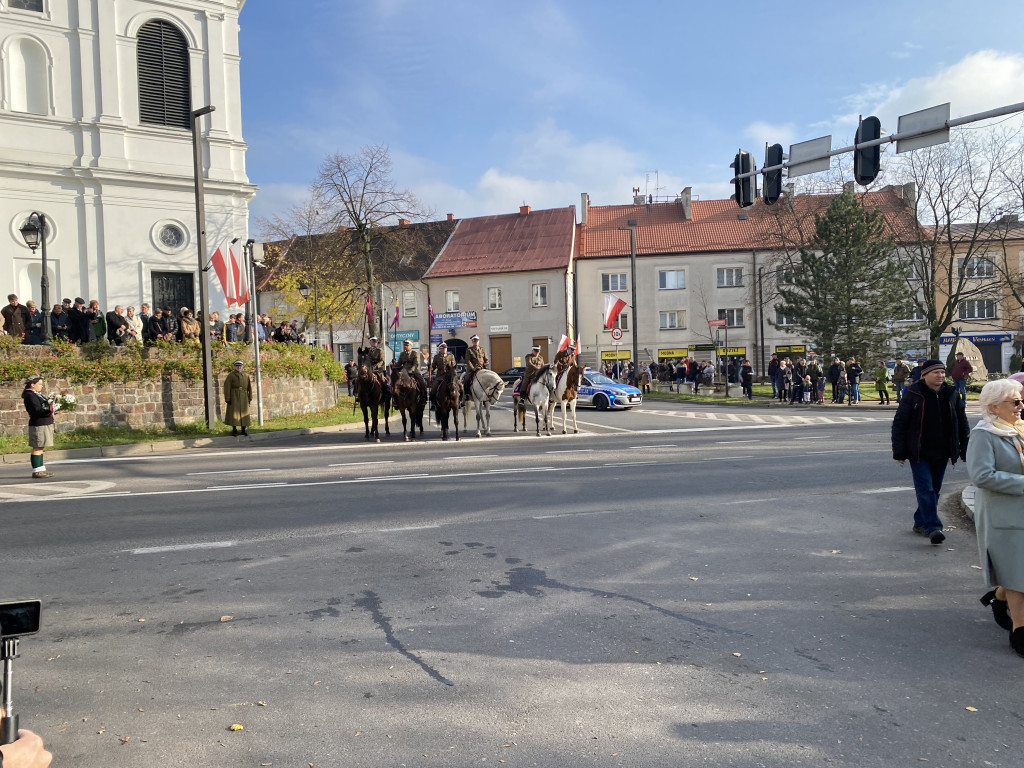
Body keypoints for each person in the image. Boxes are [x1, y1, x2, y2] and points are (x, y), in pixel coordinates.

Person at [966, 378, 1024, 652]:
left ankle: (998, 598)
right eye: (1014, 401)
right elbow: (981, 475)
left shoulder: (1018, 429)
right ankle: (1019, 632)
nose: (1020, 406)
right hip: (1003, 514)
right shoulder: (983, 434)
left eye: (1021, 400)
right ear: (994, 406)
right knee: (1016, 572)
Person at [891, 359, 970, 546]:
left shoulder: (951, 394)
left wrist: (965, 449)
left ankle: (920, 521)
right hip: (919, 452)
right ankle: (933, 527)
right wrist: (899, 451)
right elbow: (900, 423)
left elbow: (962, 422)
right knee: (925, 488)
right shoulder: (913, 394)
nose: (940, 375)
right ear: (924, 374)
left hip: (942, 451)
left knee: (934, 490)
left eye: (942, 372)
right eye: (936, 372)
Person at [22, 374, 54, 479]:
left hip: (43, 422)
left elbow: (44, 407)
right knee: (37, 446)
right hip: (38, 423)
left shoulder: (36, 394)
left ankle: (41, 469)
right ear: (32, 384)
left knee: (41, 446)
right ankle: (36, 471)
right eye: (39, 384)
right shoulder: (30, 395)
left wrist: (54, 410)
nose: (42, 386)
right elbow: (36, 410)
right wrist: (48, 411)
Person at [223, 359, 252, 436]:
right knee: (234, 413)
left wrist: (250, 397)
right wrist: (228, 398)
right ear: (235, 367)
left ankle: (243, 430)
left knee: (244, 413)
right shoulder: (231, 376)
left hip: (244, 396)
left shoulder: (246, 376)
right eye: (237, 366)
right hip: (234, 396)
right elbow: (227, 387)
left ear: (242, 366)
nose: (238, 367)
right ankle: (234, 430)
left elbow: (249, 387)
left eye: (240, 366)